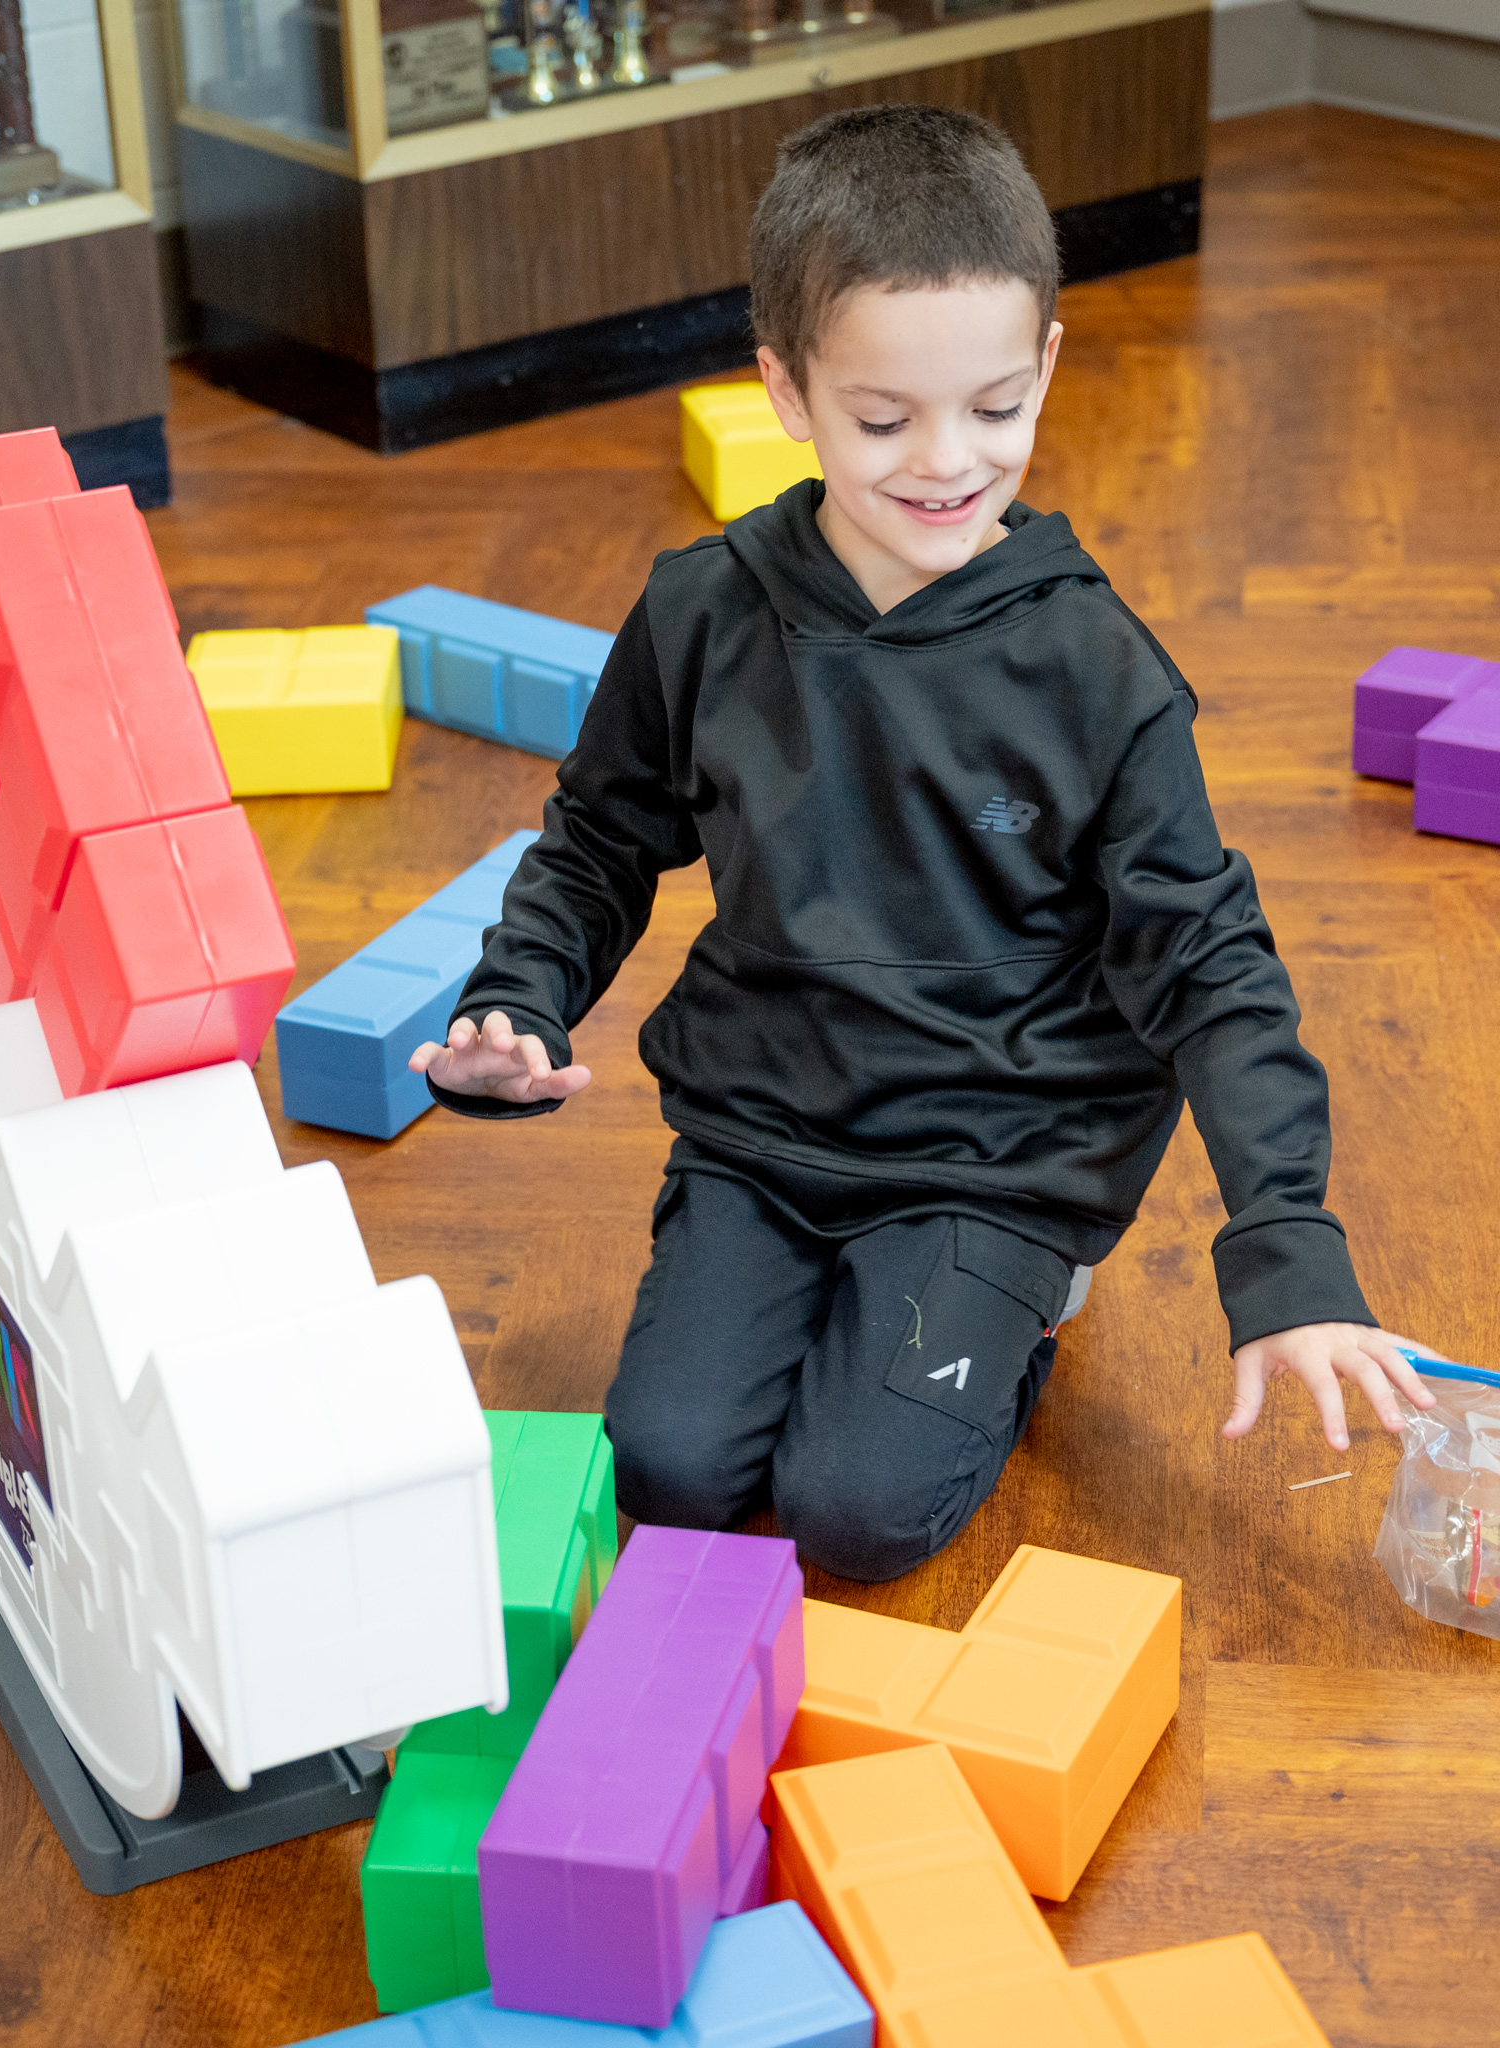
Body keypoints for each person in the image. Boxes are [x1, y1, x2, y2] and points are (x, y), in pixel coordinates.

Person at [409, 104, 1433, 1582]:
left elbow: (1211, 967)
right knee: (670, 1469)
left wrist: (1290, 1254)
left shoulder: (1099, 672)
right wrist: (518, 1001)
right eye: (885, 421)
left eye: (996, 410)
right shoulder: (701, 610)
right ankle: (844, 1302)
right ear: (786, 388)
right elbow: (598, 839)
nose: (948, 463)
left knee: (857, 1513)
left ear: (1046, 370)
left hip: (996, 1157)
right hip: (766, 1132)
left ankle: (1023, 1299)